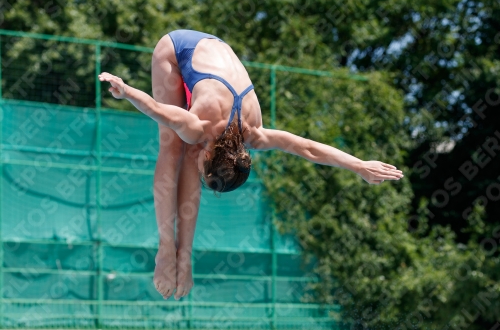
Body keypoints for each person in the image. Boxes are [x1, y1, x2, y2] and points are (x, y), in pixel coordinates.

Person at [98, 29, 404, 301]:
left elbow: (307, 148)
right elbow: (157, 110)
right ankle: (167, 250)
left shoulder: (254, 135)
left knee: (188, 151)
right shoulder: (198, 124)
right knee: (173, 146)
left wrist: (359, 166)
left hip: (216, 55)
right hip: (179, 49)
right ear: (211, 156)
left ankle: (186, 256)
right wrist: (125, 91)